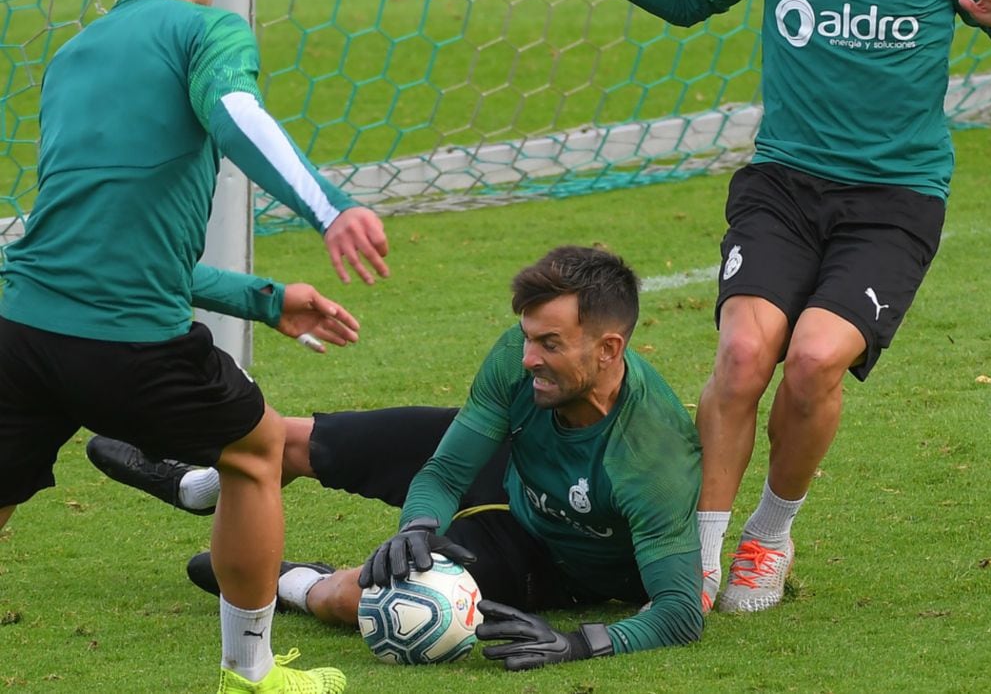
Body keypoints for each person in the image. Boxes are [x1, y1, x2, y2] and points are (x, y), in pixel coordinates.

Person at [507, 0, 991, 614]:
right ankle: (706, 549)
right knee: (743, 352)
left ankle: (770, 532)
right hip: (784, 183)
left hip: (894, 197)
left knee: (811, 364)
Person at [0, 0, 391, 693]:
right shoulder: (207, 32)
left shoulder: (71, 58)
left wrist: (261, 298)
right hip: (128, 344)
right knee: (253, 454)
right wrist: (330, 209)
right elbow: (236, 114)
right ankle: (250, 674)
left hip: (21, 330)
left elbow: (103, 243)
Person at [87, 246, 705, 671]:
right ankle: (203, 485)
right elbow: (442, 471)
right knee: (300, 440)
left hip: (556, 559)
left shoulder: (651, 458)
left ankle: (287, 581)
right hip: (517, 466)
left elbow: (679, 612)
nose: (527, 358)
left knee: (357, 602)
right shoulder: (524, 366)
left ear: (609, 349)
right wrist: (417, 526)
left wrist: (578, 644)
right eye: (526, 338)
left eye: (549, 344)